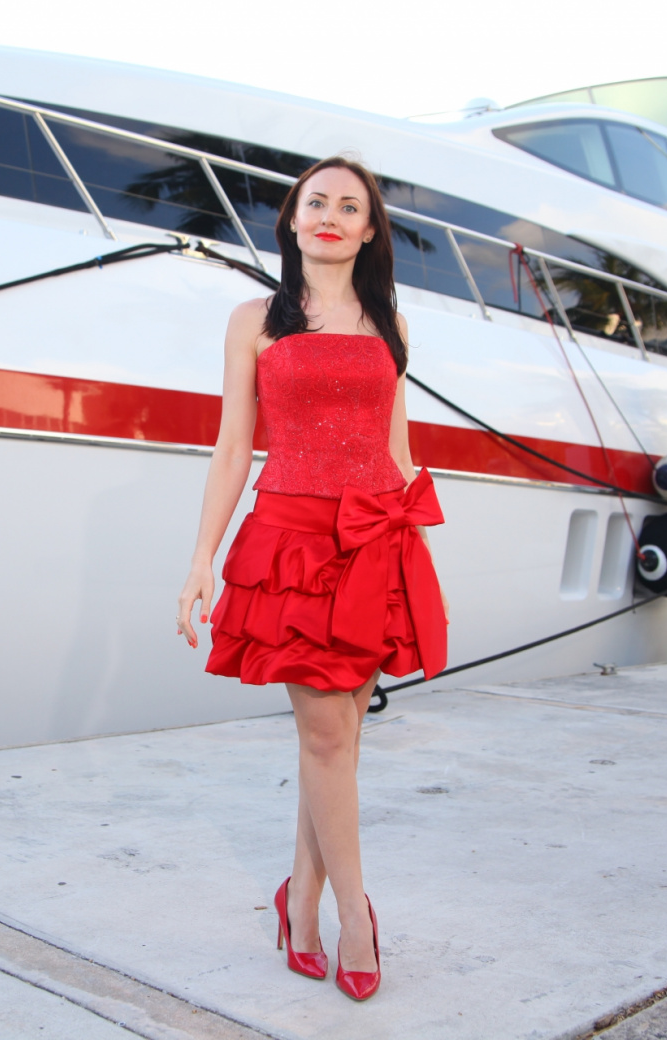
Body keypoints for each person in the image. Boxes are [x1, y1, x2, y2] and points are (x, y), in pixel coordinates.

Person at [175, 156, 449, 1003]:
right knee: (329, 737)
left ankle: (299, 901)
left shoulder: (391, 324)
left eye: (349, 207)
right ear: (292, 219)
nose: (330, 216)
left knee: (336, 739)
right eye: (315, 202)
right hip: (292, 541)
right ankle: (355, 920)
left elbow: (397, 446)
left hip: (375, 539)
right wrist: (201, 562)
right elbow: (232, 449)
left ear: (369, 230)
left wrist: (415, 550)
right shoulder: (253, 318)